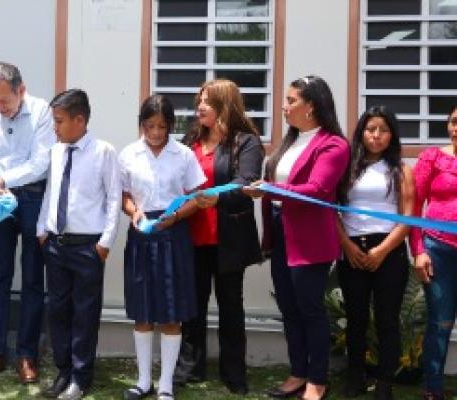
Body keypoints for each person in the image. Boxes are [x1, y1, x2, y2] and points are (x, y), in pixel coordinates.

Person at [244, 75, 349, 400]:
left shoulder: (334, 144)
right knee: (289, 308)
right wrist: (261, 189)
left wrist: (271, 189)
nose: (284, 106)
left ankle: (317, 379)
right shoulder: (290, 141)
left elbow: (317, 190)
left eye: (291, 101)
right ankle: (298, 371)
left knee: (310, 309)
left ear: (312, 106)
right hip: (281, 232)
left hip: (311, 238)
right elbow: (277, 187)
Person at [175, 79, 264, 395]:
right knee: (192, 307)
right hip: (191, 238)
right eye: (199, 99)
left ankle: (233, 373)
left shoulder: (246, 142)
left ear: (226, 105)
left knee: (230, 308)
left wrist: (217, 197)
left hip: (228, 241)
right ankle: (190, 368)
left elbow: (247, 182)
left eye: (207, 101)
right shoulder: (190, 140)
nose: (199, 106)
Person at [0, 62, 54, 384]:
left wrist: (3, 179)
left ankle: (27, 353)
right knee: (0, 275)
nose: (0, 108)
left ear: (21, 89)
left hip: (33, 197)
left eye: (5, 100)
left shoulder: (42, 111)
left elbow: (40, 163)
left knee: (33, 277)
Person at [118, 94, 206, 400]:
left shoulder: (183, 155)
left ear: (171, 126)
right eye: (150, 126)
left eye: (162, 126)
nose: (156, 133)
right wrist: (133, 211)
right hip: (142, 234)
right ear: (142, 124)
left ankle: (166, 383)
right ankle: (143, 381)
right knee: (142, 310)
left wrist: (177, 215)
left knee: (171, 311)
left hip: (174, 234)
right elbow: (123, 195)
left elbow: (198, 197)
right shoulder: (129, 153)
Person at [37, 89, 122, 400]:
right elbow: (51, 192)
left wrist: (105, 242)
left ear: (80, 119)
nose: (55, 128)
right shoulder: (56, 151)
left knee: (84, 312)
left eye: (59, 121)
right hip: (56, 243)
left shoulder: (103, 152)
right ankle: (63, 371)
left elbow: (114, 198)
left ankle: (81, 376)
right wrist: (41, 230)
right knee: (57, 309)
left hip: (88, 246)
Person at [335, 106, 413, 400]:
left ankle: (384, 383)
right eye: (370, 129)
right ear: (361, 133)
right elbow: (334, 212)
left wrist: (381, 250)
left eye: (383, 130)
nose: (376, 135)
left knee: (386, 320)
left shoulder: (401, 170)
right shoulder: (347, 168)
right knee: (355, 319)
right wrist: (346, 245)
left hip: (389, 251)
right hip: (353, 249)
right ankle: (355, 378)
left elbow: (407, 218)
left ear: (391, 135)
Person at [411, 104, 457, 400]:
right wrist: (418, 250)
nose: (456, 128)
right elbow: (413, 208)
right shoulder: (433, 157)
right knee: (440, 322)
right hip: (438, 250)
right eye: (453, 121)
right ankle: (433, 389)